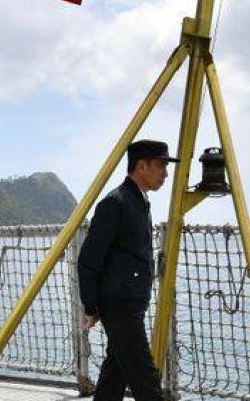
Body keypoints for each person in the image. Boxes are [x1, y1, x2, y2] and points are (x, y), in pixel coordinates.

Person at [78, 139, 179, 400]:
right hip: (119, 306)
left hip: (131, 304)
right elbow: (89, 259)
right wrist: (91, 306)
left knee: (115, 375)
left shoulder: (140, 202)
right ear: (141, 166)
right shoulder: (116, 203)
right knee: (145, 380)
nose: (166, 174)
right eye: (161, 166)